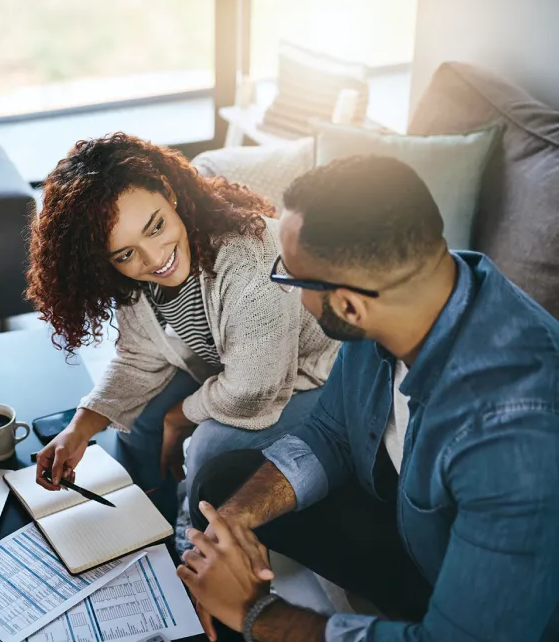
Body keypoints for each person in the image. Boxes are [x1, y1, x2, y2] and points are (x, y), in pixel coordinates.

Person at [181, 155, 559, 641]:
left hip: (477, 596)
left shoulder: (515, 434)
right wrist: (236, 521)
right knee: (225, 484)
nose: (294, 297)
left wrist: (256, 613)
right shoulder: (407, 301)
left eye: (291, 278)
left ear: (348, 305)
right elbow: (332, 435)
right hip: (410, 526)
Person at [26, 133, 339, 520]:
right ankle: (145, 524)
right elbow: (140, 356)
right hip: (234, 368)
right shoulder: (134, 282)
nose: (155, 259)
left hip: (318, 376)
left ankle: (189, 536)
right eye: (125, 254)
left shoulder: (251, 262)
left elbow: (252, 389)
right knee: (140, 421)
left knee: (208, 445)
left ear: (169, 193)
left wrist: (181, 415)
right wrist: (80, 427)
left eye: (155, 227)